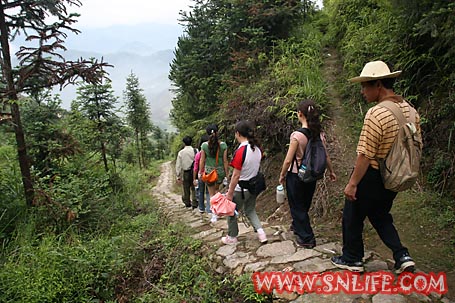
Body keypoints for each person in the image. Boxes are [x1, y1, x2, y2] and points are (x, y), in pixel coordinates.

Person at [331, 60, 421, 273]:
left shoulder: (376, 113)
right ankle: (402, 255)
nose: (363, 91)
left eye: (365, 86)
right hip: (395, 175)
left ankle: (352, 258)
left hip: (372, 174)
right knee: (380, 214)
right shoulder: (410, 110)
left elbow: (365, 155)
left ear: (378, 85)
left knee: (352, 215)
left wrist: (352, 183)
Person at [279, 99, 336, 248]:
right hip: (312, 175)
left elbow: (288, 160)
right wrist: (331, 171)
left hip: (296, 174)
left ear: (300, 114)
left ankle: (307, 237)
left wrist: (282, 174)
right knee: (304, 203)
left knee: (296, 205)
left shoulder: (297, 136)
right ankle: (298, 226)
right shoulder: (319, 134)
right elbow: (326, 155)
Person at [222, 120, 267, 245]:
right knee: (250, 210)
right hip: (254, 187)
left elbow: (236, 175)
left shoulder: (241, 151)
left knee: (231, 211)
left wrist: (230, 192)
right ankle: (261, 233)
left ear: (237, 133)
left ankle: (232, 237)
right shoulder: (257, 149)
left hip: (240, 189)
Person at [199, 124, 229, 222]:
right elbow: (225, 161)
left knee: (211, 194)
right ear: (217, 132)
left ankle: (214, 215)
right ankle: (219, 211)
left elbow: (202, 160)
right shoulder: (223, 145)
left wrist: (200, 172)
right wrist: (227, 173)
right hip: (220, 173)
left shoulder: (204, 145)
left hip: (209, 173)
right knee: (218, 192)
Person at [175, 136, 197, 209]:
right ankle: (194, 201)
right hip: (195, 171)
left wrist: (178, 176)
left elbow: (178, 165)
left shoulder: (181, 152)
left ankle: (187, 202)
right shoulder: (196, 150)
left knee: (186, 187)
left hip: (186, 172)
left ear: (184, 143)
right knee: (194, 187)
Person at [193, 134, 211, 214]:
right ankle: (209, 208)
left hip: (201, 175)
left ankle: (201, 207)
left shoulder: (198, 155)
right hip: (209, 174)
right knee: (208, 192)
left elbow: (195, 167)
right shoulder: (210, 153)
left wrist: (194, 178)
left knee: (201, 191)